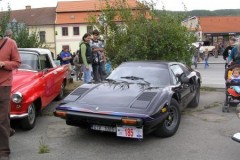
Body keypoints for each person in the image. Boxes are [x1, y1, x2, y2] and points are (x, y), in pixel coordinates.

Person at [0, 32, 21, 160]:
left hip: (3, 85)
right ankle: (8, 131)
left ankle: (3, 152)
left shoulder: (10, 43)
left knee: (2, 119)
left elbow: (17, 62)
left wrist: (3, 64)